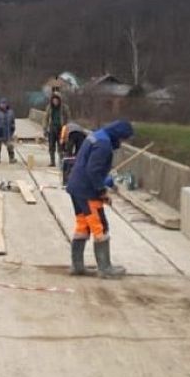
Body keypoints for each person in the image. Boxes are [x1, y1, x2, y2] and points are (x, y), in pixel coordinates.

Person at [65, 119, 134, 278]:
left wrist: (105, 181)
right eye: (124, 139)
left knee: (83, 225)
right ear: (119, 135)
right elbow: (94, 171)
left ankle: (77, 266)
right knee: (100, 227)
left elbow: (90, 167)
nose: (123, 142)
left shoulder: (97, 136)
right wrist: (102, 191)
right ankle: (105, 269)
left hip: (76, 187)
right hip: (87, 191)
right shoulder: (103, 145)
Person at [40, 92, 71, 167]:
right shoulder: (49, 108)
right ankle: (52, 161)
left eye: (56, 100)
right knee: (51, 146)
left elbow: (68, 118)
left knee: (61, 146)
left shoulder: (64, 108)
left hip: (61, 128)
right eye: (54, 100)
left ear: (59, 100)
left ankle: (61, 162)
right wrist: (45, 128)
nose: (55, 102)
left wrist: (67, 128)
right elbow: (45, 118)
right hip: (52, 128)